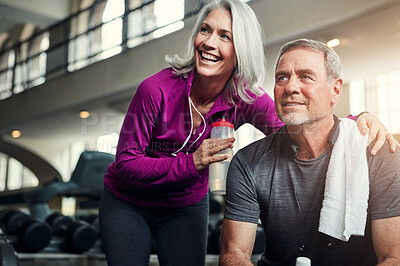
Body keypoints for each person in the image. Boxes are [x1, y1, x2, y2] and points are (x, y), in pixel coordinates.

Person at [99, 0, 399, 264]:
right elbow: (125, 164)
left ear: (239, 50)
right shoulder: (156, 89)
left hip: (184, 205)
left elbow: (300, 122)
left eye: (224, 36)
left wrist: (358, 120)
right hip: (129, 202)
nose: (208, 42)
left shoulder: (244, 97)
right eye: (205, 30)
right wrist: (192, 162)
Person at [219, 39, 400, 266]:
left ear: (335, 90)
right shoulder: (248, 162)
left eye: (305, 76)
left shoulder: (378, 155)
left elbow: (393, 257)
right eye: (282, 78)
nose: (290, 87)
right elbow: (233, 255)